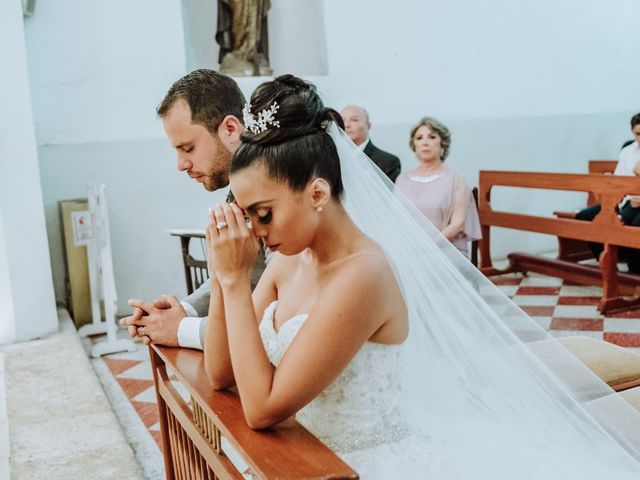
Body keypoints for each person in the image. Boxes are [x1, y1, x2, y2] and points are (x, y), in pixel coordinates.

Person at [204, 75, 640, 478]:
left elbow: (262, 409)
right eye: (247, 216)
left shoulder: (363, 274)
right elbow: (220, 371)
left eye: (263, 214)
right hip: (302, 457)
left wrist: (233, 282)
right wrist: (224, 275)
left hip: (359, 464)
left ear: (317, 192)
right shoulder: (286, 262)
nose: (255, 232)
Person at [120, 69, 266, 349]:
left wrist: (181, 330)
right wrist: (181, 311)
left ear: (231, 129)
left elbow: (275, 307)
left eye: (188, 148)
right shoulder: (240, 187)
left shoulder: (278, 191)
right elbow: (240, 277)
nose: (181, 164)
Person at [394, 117, 481, 256]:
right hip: (408, 250)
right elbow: (396, 220)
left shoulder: (456, 179)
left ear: (442, 144)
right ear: (414, 145)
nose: (425, 142)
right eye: (419, 138)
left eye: (432, 137)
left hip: (444, 251)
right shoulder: (402, 180)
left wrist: (427, 247)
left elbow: (458, 225)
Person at [575, 112, 640, 273]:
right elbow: (619, 179)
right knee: (584, 217)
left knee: (631, 223)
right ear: (632, 131)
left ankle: (635, 271)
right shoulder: (628, 151)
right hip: (624, 201)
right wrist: (609, 180)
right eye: (638, 134)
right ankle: (608, 267)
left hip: (637, 204)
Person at [340, 105, 401, 182]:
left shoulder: (388, 161)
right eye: (342, 120)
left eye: (354, 120)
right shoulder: (331, 157)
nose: (346, 125)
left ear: (368, 126)